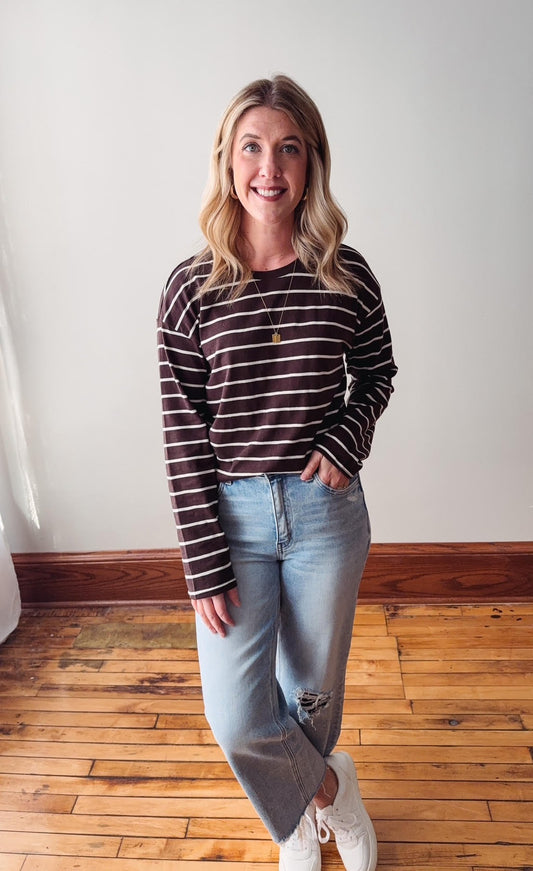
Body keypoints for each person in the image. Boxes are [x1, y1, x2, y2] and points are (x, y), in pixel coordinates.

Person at [157, 74, 397, 871]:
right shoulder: (189, 290)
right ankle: (325, 794)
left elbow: (378, 373)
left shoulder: (345, 273)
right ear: (227, 162)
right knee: (235, 715)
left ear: (311, 163)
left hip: (326, 517)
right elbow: (181, 431)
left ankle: (295, 820)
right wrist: (201, 558)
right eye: (252, 147)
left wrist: (344, 439)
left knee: (309, 696)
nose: (270, 167)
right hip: (230, 521)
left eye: (288, 148)